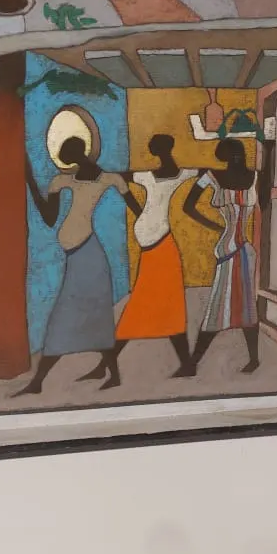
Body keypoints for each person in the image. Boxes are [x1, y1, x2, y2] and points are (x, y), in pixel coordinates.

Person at [13, 136, 141, 395]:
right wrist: (31, 181)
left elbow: (138, 210)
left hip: (88, 255)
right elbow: (50, 219)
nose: (66, 161)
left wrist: (30, 180)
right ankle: (108, 374)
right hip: (78, 256)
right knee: (93, 317)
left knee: (76, 317)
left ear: (78, 153)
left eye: (67, 155)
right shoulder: (63, 181)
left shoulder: (108, 179)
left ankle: (39, 382)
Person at [80, 134, 197, 383]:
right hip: (153, 248)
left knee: (156, 308)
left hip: (162, 248)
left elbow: (117, 176)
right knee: (161, 308)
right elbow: (118, 176)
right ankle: (185, 364)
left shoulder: (173, 174)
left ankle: (106, 365)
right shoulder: (154, 175)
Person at [181, 136, 274, 375]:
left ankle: (194, 364)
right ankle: (194, 363)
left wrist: (269, 159)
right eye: (233, 156)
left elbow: (264, 203)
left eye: (234, 156)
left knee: (237, 307)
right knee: (226, 306)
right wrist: (214, 226)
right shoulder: (216, 176)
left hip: (240, 250)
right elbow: (187, 207)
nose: (234, 160)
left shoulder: (248, 176)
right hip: (232, 250)